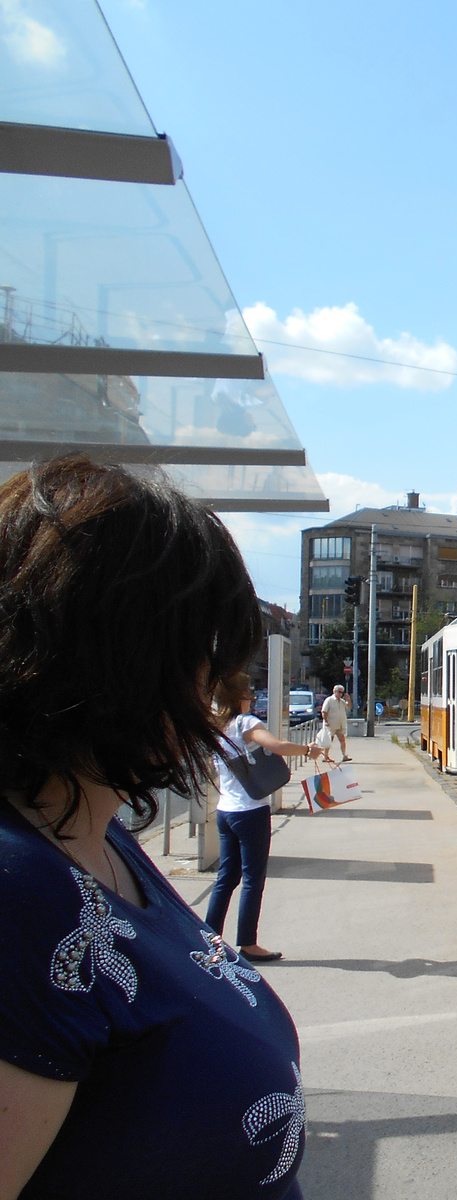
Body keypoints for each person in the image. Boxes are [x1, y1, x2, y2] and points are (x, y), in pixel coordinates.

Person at [0, 456, 306, 1199]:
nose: (214, 687)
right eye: (203, 652)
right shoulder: (14, 897)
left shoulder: (98, 844)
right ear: (122, 658)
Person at [207, 672, 328, 964]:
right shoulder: (245, 724)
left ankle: (208, 940)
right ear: (239, 698)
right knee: (252, 879)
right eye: (249, 693)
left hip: (226, 811)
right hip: (251, 812)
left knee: (226, 878)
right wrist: (307, 750)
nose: (252, 698)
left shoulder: (217, 728)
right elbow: (276, 746)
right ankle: (248, 944)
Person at [321, 684, 351, 762]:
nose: (340, 694)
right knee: (329, 740)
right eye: (339, 692)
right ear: (334, 691)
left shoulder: (342, 701)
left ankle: (344, 755)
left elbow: (348, 707)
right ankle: (326, 756)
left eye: (341, 692)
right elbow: (324, 711)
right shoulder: (329, 700)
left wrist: (348, 700)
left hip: (340, 724)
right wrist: (326, 721)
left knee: (342, 740)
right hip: (331, 724)